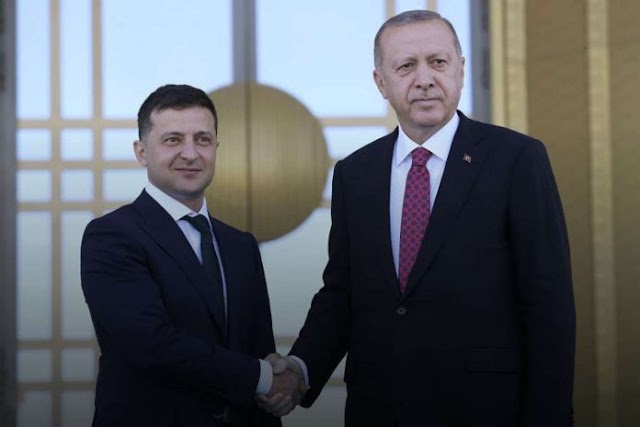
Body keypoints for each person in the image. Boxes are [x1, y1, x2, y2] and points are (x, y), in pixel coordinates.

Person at [257, 10, 576, 426]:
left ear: (460, 70)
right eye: (406, 66)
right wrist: (300, 369)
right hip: (379, 408)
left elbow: (548, 303)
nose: (424, 79)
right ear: (381, 83)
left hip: (486, 408)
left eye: (438, 62)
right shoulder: (356, 173)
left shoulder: (517, 159)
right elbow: (343, 293)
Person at [81, 84, 304, 427]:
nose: (190, 154)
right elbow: (150, 345)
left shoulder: (240, 245)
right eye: (173, 140)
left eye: (203, 139)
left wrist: (276, 381)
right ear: (141, 152)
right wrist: (262, 376)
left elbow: (257, 349)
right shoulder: (112, 236)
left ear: (216, 148)